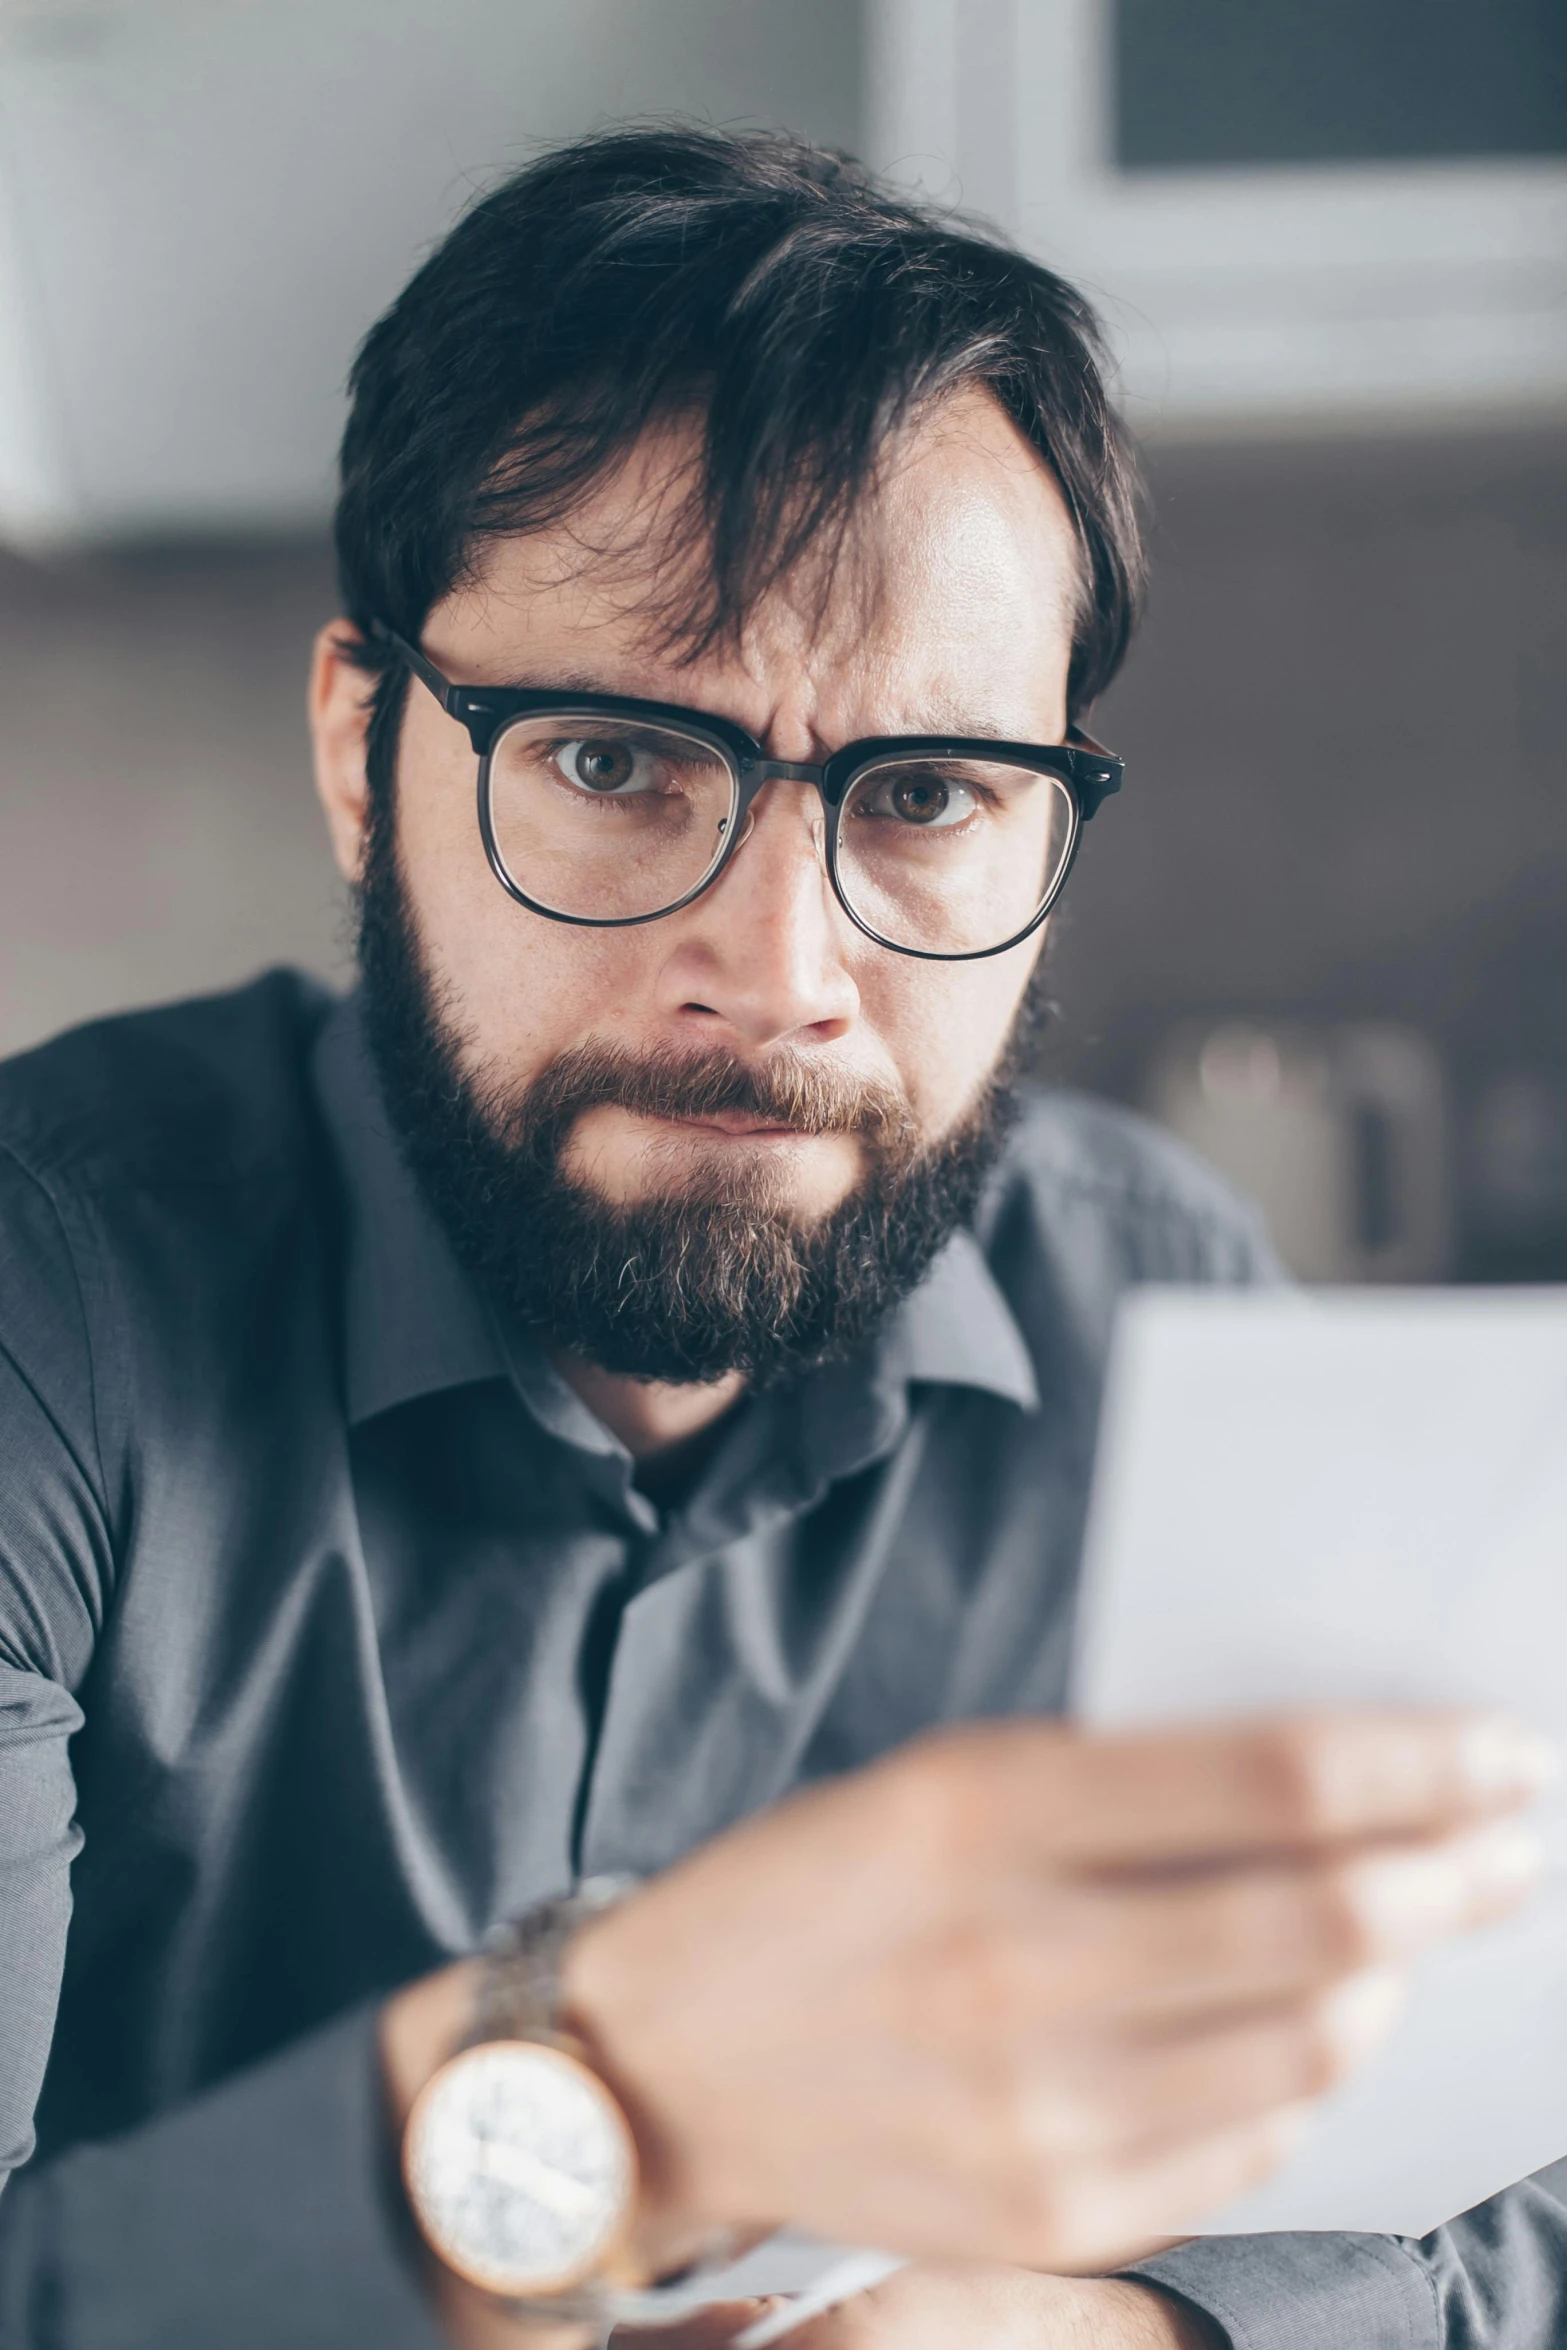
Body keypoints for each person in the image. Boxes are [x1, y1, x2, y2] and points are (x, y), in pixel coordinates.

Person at [0, 124, 1560, 2350]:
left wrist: (1133, 2328)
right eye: (623, 760)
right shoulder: (41, 1309)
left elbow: (1506, 2163)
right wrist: (634, 2090)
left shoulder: (1157, 1314)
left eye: (925, 794)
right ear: (368, 754)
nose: (779, 965)